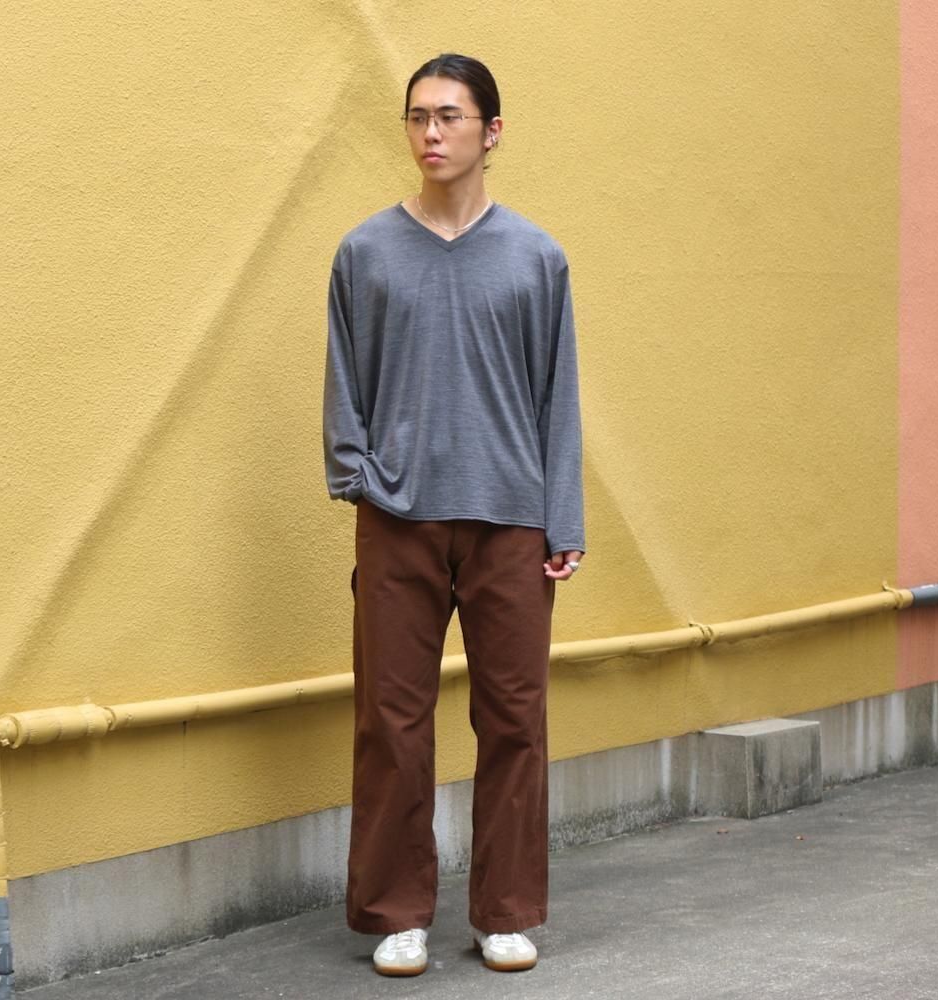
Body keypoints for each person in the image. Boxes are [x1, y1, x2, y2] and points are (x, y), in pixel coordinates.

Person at [322, 52, 585, 977]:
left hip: (510, 518)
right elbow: (344, 379)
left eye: (449, 116)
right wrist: (357, 474)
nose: (430, 133)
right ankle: (398, 912)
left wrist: (563, 519)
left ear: (491, 131)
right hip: (397, 516)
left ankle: (504, 911)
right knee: (391, 720)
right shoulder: (365, 253)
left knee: (515, 720)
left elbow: (557, 396)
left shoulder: (536, 257)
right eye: (417, 117)